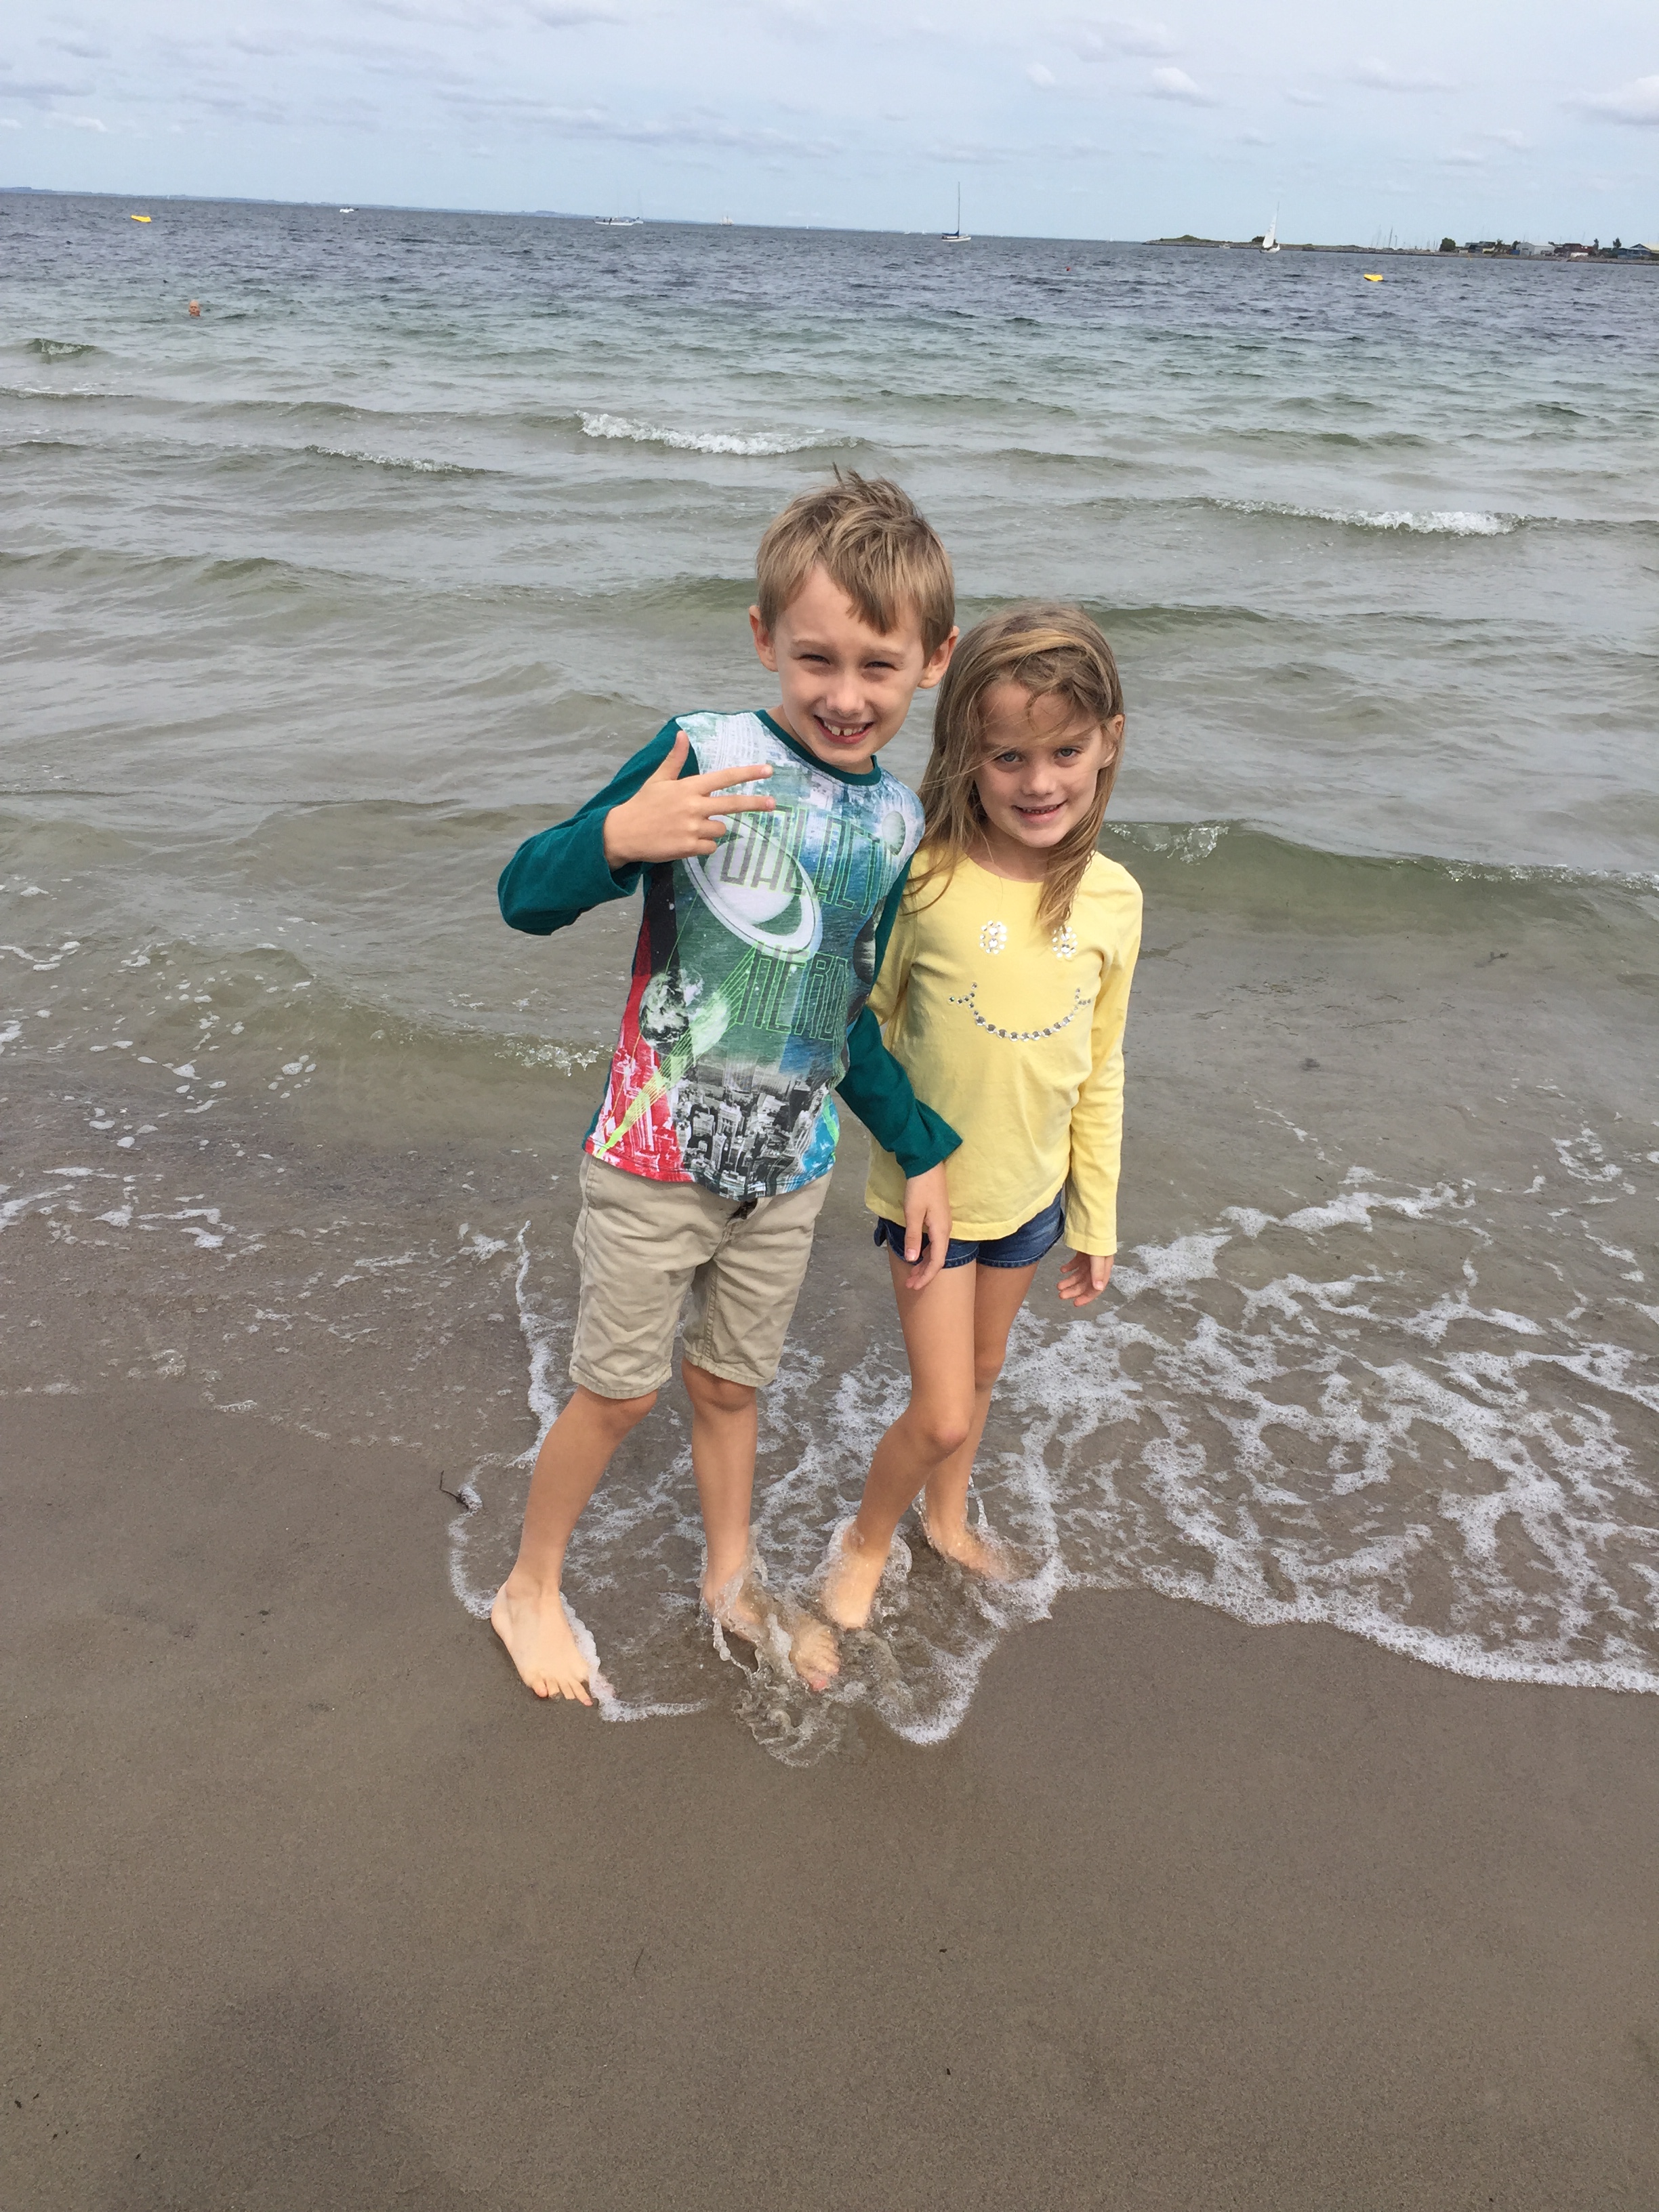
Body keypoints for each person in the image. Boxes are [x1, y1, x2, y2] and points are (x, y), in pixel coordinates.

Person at [491, 474, 962, 1704]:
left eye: (879, 665)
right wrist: (614, 841)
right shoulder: (702, 753)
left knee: (730, 1386)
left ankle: (729, 1583)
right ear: (764, 638)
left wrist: (919, 1146)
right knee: (620, 1391)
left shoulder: (899, 821)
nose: (846, 694)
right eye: (816, 658)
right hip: (653, 1156)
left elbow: (840, 1010)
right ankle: (529, 1586)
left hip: (788, 1174)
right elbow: (523, 895)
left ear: (933, 660)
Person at [820, 605, 1141, 1631]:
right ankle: (867, 1541)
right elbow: (854, 1024)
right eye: (1009, 755)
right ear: (966, 752)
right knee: (943, 1408)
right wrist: (907, 1153)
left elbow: (1100, 1067)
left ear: (1109, 743)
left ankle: (947, 1520)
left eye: (1065, 751)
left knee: (987, 1372)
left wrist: (1095, 1215)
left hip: (1032, 1198)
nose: (1039, 781)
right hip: (932, 1196)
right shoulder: (925, 880)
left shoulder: (1115, 899)